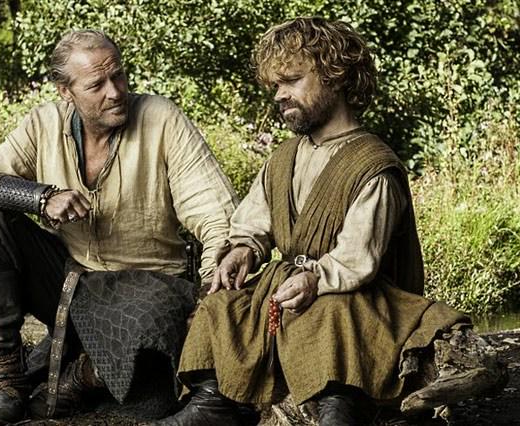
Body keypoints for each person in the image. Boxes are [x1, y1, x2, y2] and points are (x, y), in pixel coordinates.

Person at [155, 17, 505, 426]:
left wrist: (313, 279)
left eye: (291, 80)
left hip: (355, 295)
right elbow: (253, 223)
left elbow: (357, 260)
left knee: (330, 312)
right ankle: (213, 402)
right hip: (292, 283)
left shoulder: (373, 165)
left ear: (336, 76)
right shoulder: (283, 158)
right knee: (222, 305)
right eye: (275, 86)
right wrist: (243, 250)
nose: (280, 95)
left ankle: (339, 406)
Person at [0, 29, 238, 425]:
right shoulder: (44, 123)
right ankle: (6, 382)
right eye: (96, 85)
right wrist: (41, 197)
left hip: (148, 288)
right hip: (69, 283)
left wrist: (210, 290)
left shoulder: (161, 118)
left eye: (118, 76)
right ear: (65, 92)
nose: (115, 92)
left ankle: (82, 376)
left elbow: (217, 215)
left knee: (158, 331)